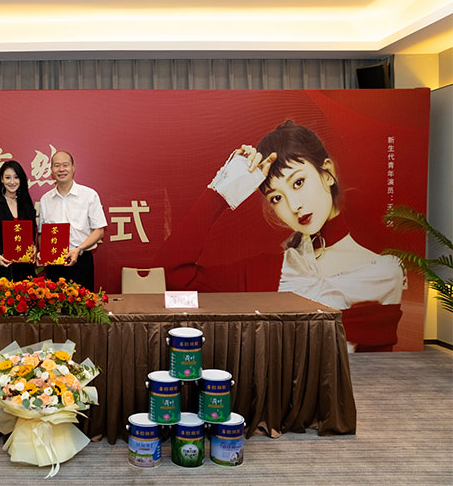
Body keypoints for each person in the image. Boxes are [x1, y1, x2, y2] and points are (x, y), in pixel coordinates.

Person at [163, 121, 403, 350]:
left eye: (298, 182)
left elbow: (377, 367)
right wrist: (222, 193)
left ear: (327, 173)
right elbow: (172, 276)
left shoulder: (384, 273)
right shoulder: (266, 272)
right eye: (276, 197)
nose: (294, 205)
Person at [37, 150, 108, 291]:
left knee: (83, 303)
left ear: (73, 168)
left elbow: (99, 231)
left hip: (81, 260)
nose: (61, 169)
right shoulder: (46, 199)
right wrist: (43, 252)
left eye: (65, 165)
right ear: (51, 170)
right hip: (54, 263)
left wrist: (79, 249)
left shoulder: (89, 195)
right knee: (54, 303)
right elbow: (42, 233)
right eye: (57, 165)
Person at [0, 160, 37, 290]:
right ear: (2, 179)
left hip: (24, 271)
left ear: (21, 180)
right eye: (8, 177)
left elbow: (31, 236)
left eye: (16, 177)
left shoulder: (27, 205)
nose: (12, 182)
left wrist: (34, 247)